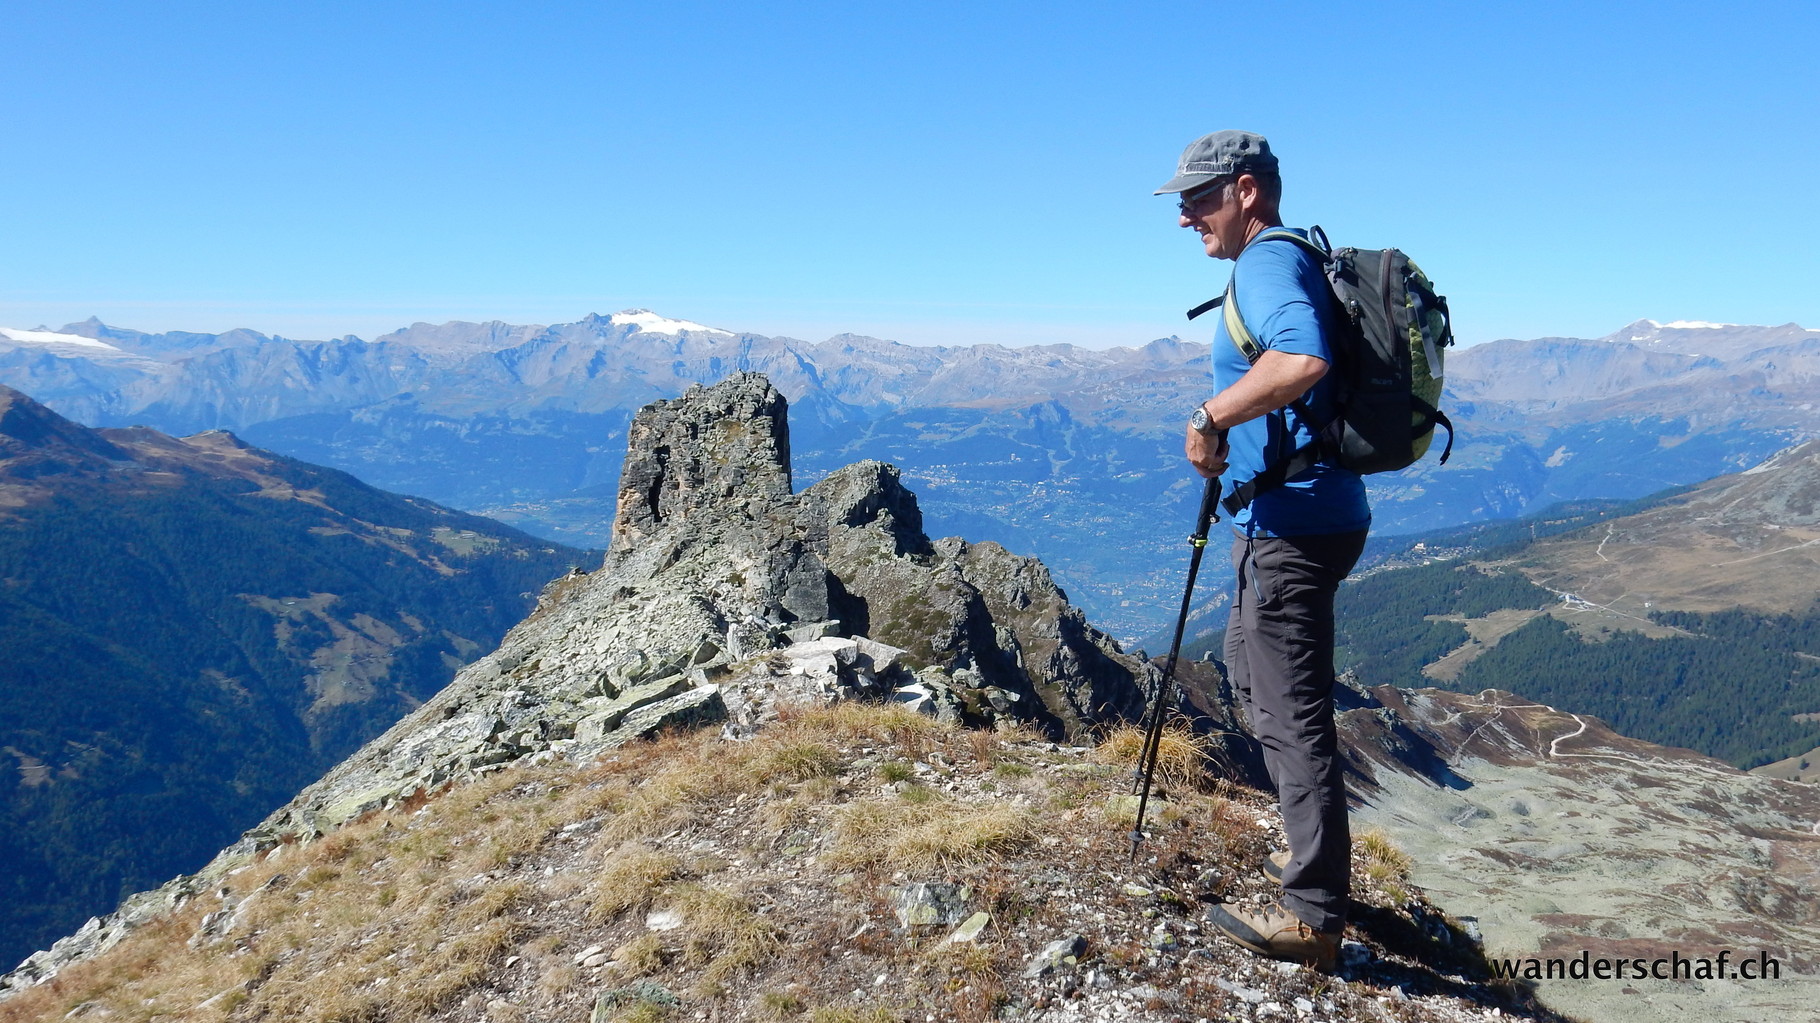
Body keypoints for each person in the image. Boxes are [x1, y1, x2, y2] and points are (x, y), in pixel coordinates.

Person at [1156, 130, 1370, 970]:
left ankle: (1314, 916)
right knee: (1250, 675)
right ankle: (1311, 860)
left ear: (1246, 190)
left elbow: (1305, 357)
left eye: (1197, 198)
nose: (1184, 217)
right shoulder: (1289, 258)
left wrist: (1212, 417)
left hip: (1295, 527)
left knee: (1289, 714)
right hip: (1290, 517)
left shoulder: (1268, 264)